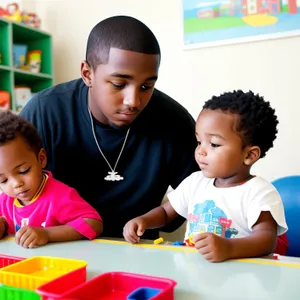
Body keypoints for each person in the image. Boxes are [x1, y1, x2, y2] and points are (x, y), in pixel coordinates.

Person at [19, 15, 199, 239]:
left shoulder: (175, 122)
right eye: (118, 84)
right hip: (54, 246)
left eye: (146, 86)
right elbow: (10, 183)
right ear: (87, 74)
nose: (133, 101)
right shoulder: (44, 111)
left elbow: (200, 195)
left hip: (137, 250)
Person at [123, 90, 288, 262]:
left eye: (214, 144)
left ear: (249, 155)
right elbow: (165, 213)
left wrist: (229, 248)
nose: (201, 151)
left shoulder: (259, 192)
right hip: (195, 272)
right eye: (199, 142)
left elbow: (266, 240)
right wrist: (144, 220)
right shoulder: (195, 182)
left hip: (239, 278)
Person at [0, 112, 103, 248]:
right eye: (3, 180)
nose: (16, 184)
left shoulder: (58, 196)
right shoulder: (6, 200)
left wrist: (47, 234)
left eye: (23, 171)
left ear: (41, 159)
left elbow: (94, 224)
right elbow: (5, 220)